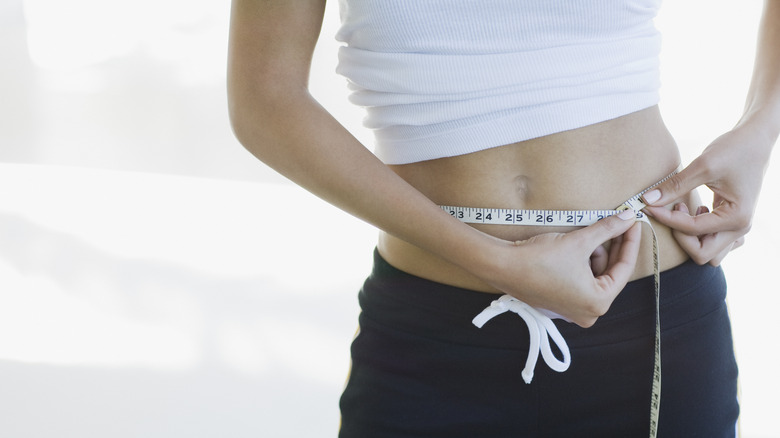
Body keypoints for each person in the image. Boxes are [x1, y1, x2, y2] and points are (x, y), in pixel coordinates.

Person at [227, 1, 779, 436]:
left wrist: (761, 126)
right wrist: (494, 260)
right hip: (431, 341)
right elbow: (265, 99)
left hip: (650, 327)